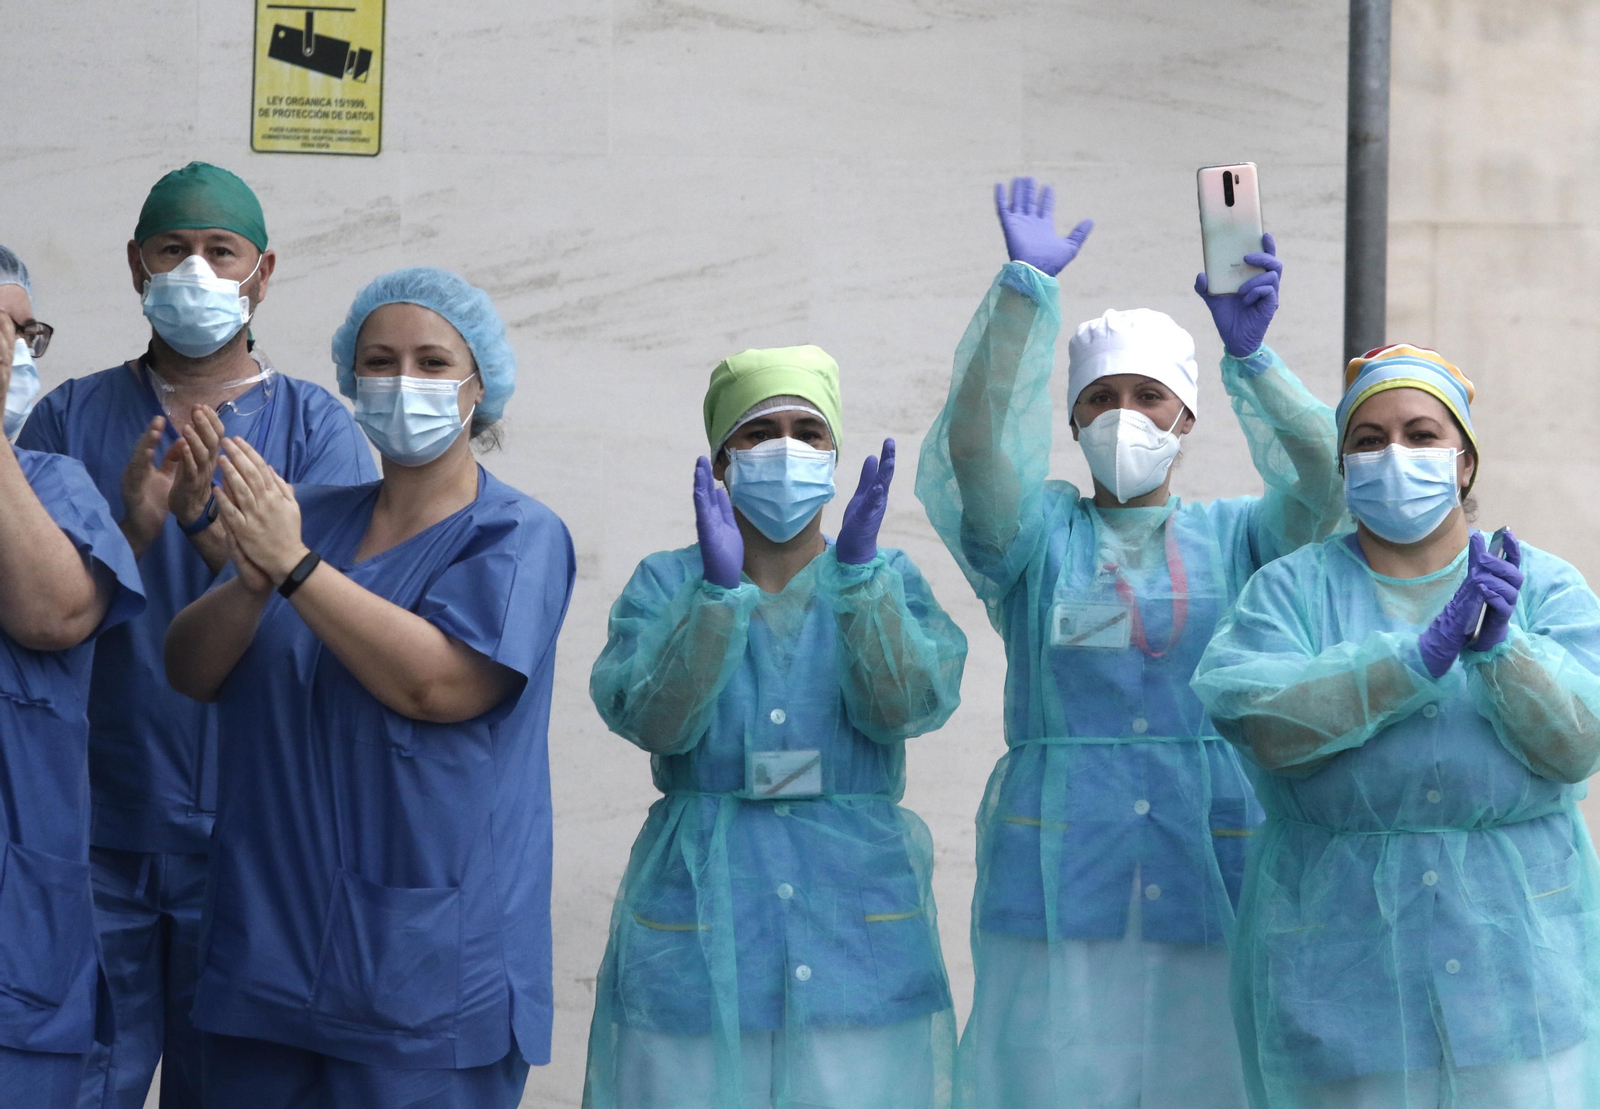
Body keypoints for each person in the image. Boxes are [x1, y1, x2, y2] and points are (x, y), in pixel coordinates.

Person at [915, 177, 1347, 1108]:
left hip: (1213, 880)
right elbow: (977, 448)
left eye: (1149, 396)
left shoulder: (1243, 538)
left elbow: (1326, 482)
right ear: (1070, 418)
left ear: (1187, 417)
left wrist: (1255, 359)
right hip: (1060, 888)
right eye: (1101, 397)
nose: (1124, 416)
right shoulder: (1034, 540)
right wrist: (1023, 293)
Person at [163, 267, 573, 1109]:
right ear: (352, 378)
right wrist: (249, 578)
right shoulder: (304, 513)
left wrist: (293, 567)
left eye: (431, 363)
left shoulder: (518, 536)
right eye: (380, 361)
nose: (401, 381)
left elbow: (438, 684)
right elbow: (190, 671)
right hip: (266, 960)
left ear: (479, 384)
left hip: (422, 979)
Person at [16, 162, 378, 1109]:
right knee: (85, 1071)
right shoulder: (69, 416)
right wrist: (132, 526)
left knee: (236, 1081)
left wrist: (213, 534)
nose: (196, 270)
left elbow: (328, 615)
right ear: (135, 265)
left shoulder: (316, 429)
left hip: (255, 828)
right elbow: (40, 608)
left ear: (264, 273)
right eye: (172, 249)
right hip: (98, 815)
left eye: (222, 251)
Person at [1192, 344, 1600, 1108]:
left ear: (1465, 462)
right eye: (1369, 440)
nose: (1395, 454)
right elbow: (1262, 722)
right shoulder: (1289, 589)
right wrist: (1412, 661)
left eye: (1421, 435)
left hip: (1515, 985)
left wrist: (1505, 656)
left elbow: (1580, 740)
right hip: (1346, 987)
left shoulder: (1537, 585)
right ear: (1344, 465)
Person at [583, 345, 969, 1109]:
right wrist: (716, 598)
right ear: (721, 461)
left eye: (808, 430)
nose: (786, 448)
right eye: (758, 434)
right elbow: (653, 719)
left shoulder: (885, 578)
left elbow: (909, 705)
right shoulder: (669, 583)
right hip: (700, 937)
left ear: (834, 453)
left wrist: (859, 583)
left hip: (854, 941)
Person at [0, 247, 144, 1107]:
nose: (15, 356)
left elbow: (54, 611)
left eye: (24, 335)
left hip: (17, 958)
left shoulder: (53, 484)